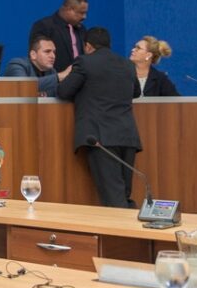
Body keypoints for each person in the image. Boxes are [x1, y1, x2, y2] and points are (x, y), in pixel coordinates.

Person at [57, 27, 142, 208]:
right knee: (124, 194)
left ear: (87, 46)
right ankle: (133, 234)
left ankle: (124, 235)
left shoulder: (85, 62)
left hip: (101, 138)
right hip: (127, 136)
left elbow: (64, 91)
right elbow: (136, 91)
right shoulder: (127, 64)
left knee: (114, 198)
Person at [29, 0, 88, 72]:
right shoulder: (44, 26)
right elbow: (36, 59)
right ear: (69, 10)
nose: (84, 17)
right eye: (81, 13)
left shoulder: (82, 29)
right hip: (55, 82)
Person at [3, 34, 69, 96]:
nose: (53, 56)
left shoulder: (51, 72)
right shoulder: (17, 64)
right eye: (47, 51)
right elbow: (24, 86)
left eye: (54, 52)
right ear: (33, 55)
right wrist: (59, 77)